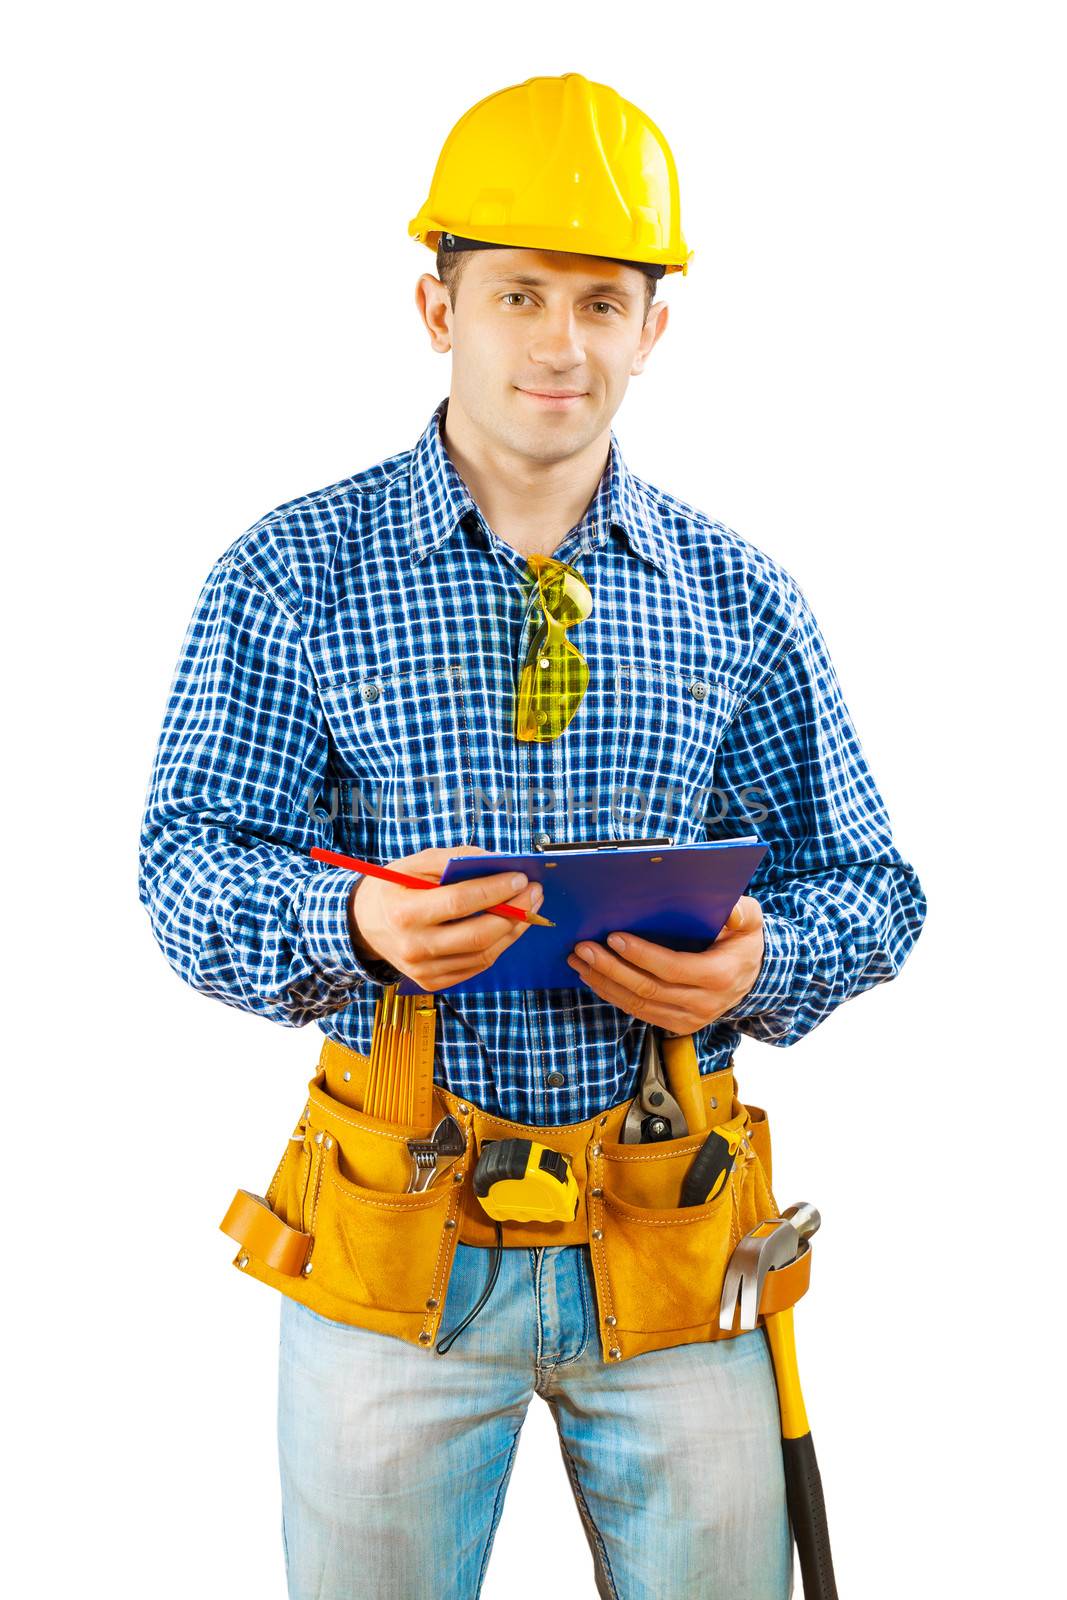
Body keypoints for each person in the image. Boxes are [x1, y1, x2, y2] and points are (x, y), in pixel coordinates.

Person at [139, 71, 926, 1600]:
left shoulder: (738, 598)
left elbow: (875, 889)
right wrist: (354, 926)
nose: (560, 344)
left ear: (655, 329)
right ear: (439, 310)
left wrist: (763, 963)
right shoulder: (292, 577)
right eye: (517, 295)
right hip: (388, 1243)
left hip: (678, 1235)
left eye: (600, 301)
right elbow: (186, 866)